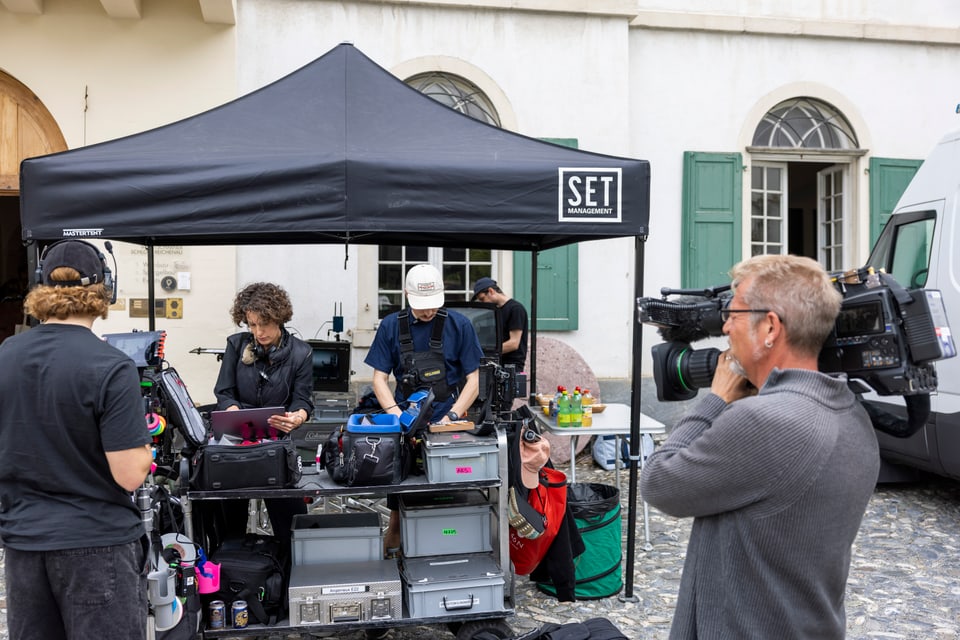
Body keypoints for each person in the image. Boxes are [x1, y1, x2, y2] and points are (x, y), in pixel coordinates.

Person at [640, 254, 880, 640]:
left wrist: (716, 399)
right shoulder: (852, 413)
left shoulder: (763, 421)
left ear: (770, 327)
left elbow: (659, 484)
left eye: (733, 314)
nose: (724, 327)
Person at [0, 240, 153, 640]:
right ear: (105, 291)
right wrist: (145, 445)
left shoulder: (6, 355)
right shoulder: (111, 365)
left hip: (24, 544)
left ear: (40, 290)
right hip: (97, 545)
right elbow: (129, 474)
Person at [365, 264, 484, 553]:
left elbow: (474, 380)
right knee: (399, 500)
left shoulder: (460, 325)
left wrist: (453, 416)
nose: (428, 313)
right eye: (422, 307)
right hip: (405, 424)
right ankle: (394, 556)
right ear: (407, 296)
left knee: (450, 496)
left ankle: (449, 550)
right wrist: (396, 415)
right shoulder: (391, 325)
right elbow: (379, 379)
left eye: (433, 306)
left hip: (448, 424)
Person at [210, 282, 314, 559]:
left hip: (277, 447)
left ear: (279, 318)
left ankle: (287, 586)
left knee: (290, 529)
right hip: (236, 446)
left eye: (264, 324)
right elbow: (224, 391)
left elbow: (303, 400)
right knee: (229, 529)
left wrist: (297, 417)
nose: (258, 332)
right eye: (252, 324)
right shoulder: (236, 345)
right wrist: (231, 409)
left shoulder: (301, 353)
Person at [472, 276, 528, 368]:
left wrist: (484, 353)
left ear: (491, 291)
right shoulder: (495, 311)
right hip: (495, 363)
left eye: (482, 299)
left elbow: (514, 343)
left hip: (511, 365)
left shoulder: (516, 309)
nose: (482, 303)